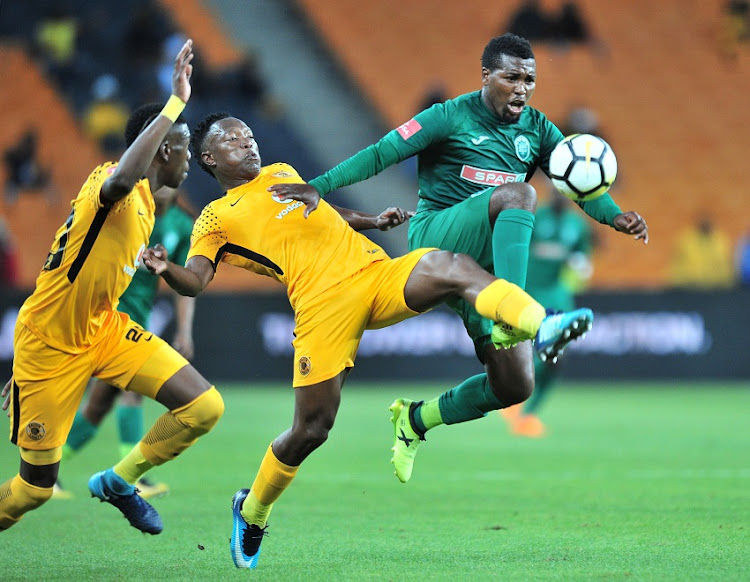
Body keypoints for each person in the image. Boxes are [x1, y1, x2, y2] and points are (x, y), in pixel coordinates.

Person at [140, 112, 595, 568]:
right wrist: (167, 270)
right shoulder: (214, 219)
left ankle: (540, 323)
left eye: (249, 135)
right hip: (323, 308)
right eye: (233, 140)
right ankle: (253, 509)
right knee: (312, 429)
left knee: (450, 265)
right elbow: (196, 280)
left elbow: (323, 214)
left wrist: (371, 220)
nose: (248, 143)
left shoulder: (282, 173)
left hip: (375, 274)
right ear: (209, 157)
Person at [270, 33, 648, 486]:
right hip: (437, 237)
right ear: (487, 76)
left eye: (530, 79)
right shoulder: (448, 117)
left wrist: (615, 216)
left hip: (483, 267)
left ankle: (415, 420)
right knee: (520, 193)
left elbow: (574, 180)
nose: (522, 88)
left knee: (514, 385)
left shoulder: (538, 128)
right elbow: (381, 153)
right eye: (512, 77)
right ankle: (516, 313)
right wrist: (320, 185)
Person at [0, 39, 224, 537]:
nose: (191, 160)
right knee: (34, 489)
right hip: (50, 344)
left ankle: (121, 481)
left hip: (104, 330)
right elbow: (123, 176)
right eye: (186, 146)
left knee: (204, 406)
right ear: (163, 145)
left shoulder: (151, 207)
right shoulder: (111, 182)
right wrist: (174, 105)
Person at [53, 185, 196, 500]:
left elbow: (184, 283)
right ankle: (134, 479)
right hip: (110, 318)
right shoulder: (130, 210)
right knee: (132, 394)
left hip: (137, 318)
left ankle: (47, 472)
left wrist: (185, 330)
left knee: (98, 406)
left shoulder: (182, 225)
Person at [500, 188, 593, 437]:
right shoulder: (535, 218)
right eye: (557, 192)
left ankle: (527, 414)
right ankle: (516, 399)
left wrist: (581, 265)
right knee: (531, 348)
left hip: (557, 293)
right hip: (530, 290)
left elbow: (582, 257)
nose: (560, 198)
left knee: (557, 358)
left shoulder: (577, 225)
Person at [669, 216, 734, 289]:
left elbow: (726, 266)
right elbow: (679, 266)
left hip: (717, 288)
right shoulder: (686, 240)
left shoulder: (721, 241)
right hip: (689, 288)